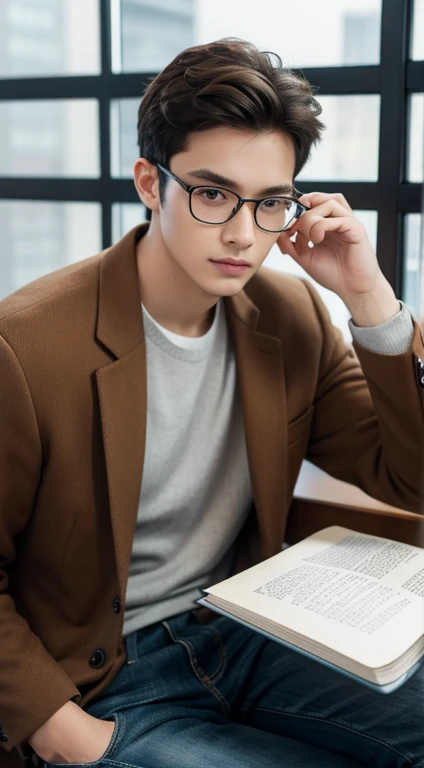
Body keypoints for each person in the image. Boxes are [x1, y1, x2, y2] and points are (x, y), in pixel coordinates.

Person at [0, 38, 423, 768]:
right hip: (106, 678)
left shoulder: (291, 316)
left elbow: (409, 476)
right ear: (148, 182)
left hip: (250, 632)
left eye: (270, 203)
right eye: (212, 193)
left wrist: (368, 298)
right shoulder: (24, 346)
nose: (241, 232)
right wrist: (64, 732)